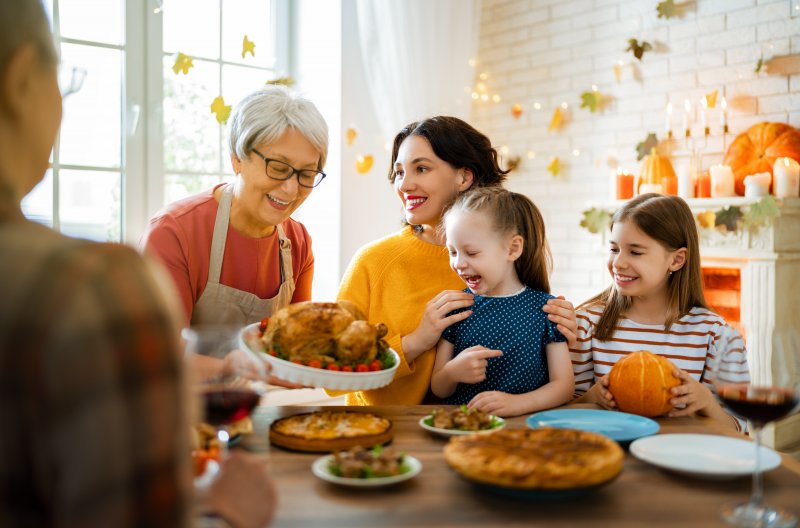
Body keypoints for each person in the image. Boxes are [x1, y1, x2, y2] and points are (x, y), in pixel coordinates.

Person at [0, 1, 275, 526]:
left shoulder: (296, 240)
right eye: (61, 80)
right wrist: (229, 513)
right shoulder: (91, 286)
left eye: (309, 173)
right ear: (19, 81)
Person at [335, 116, 577, 406]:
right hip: (385, 432)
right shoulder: (372, 262)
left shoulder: (498, 264)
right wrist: (415, 341)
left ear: (464, 177)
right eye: (399, 173)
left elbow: (542, 370)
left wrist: (566, 329)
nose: (405, 184)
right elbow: (333, 374)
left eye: (421, 168)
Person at [141, 85, 329, 328]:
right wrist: (230, 367)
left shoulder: (299, 242)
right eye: (278, 168)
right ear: (237, 158)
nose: (291, 189)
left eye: (307, 173)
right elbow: (161, 357)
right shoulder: (174, 232)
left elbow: (298, 345)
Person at [569, 193, 749, 431]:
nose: (618, 263)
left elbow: (740, 428)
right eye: (614, 249)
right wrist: (592, 398)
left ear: (676, 260)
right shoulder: (587, 324)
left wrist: (706, 402)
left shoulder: (715, 335)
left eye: (635, 252)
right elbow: (564, 412)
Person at [430, 187, 574, 417]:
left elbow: (564, 387)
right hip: (464, 430)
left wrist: (517, 404)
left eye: (471, 253)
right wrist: (452, 372)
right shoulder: (457, 307)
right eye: (452, 252)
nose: (458, 263)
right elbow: (438, 387)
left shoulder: (546, 310)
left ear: (513, 248)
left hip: (525, 430)